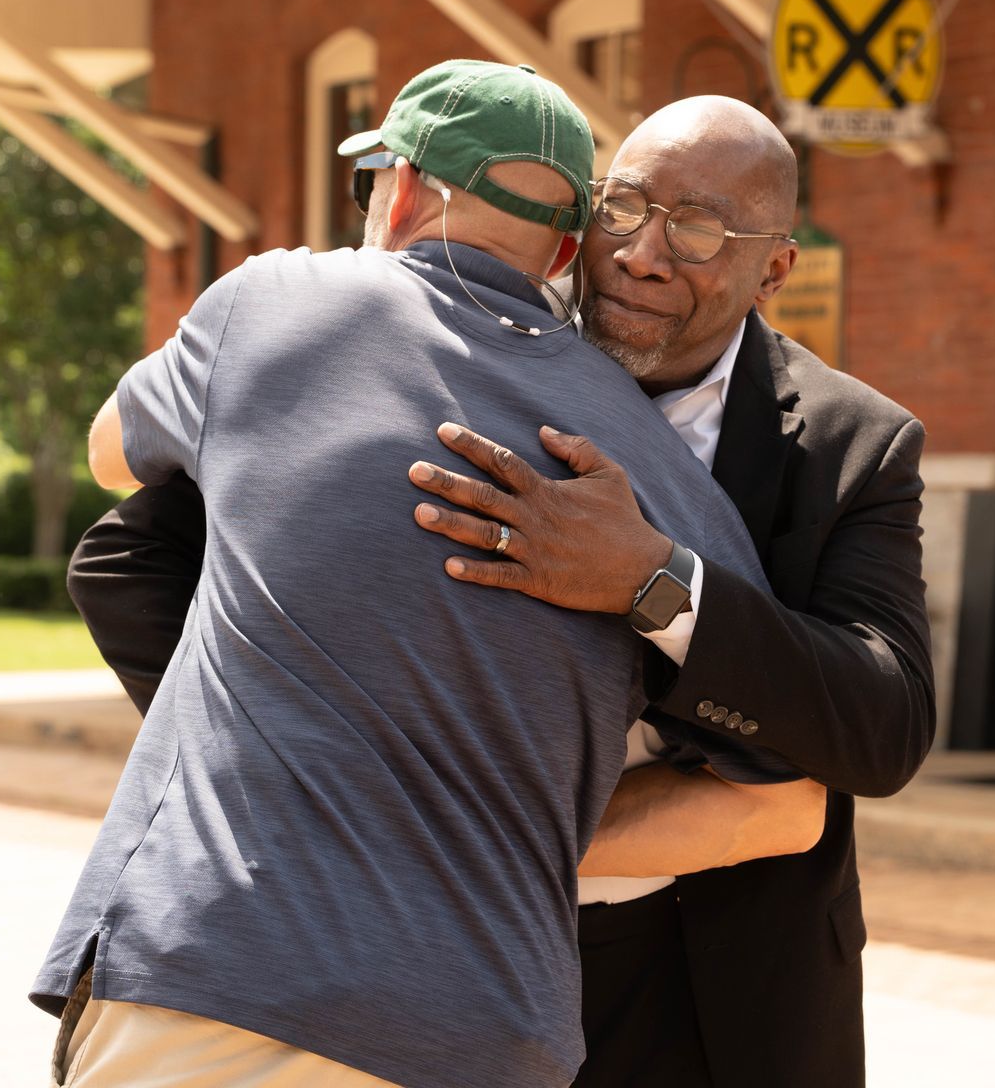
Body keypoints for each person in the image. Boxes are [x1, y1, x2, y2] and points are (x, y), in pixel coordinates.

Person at [71, 94, 935, 1086]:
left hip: (718, 991)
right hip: (435, 970)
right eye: (623, 208)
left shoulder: (851, 444)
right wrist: (305, 775)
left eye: (697, 229)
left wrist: (653, 581)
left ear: (773, 267)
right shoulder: (444, 346)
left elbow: (880, 722)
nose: (643, 254)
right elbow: (128, 564)